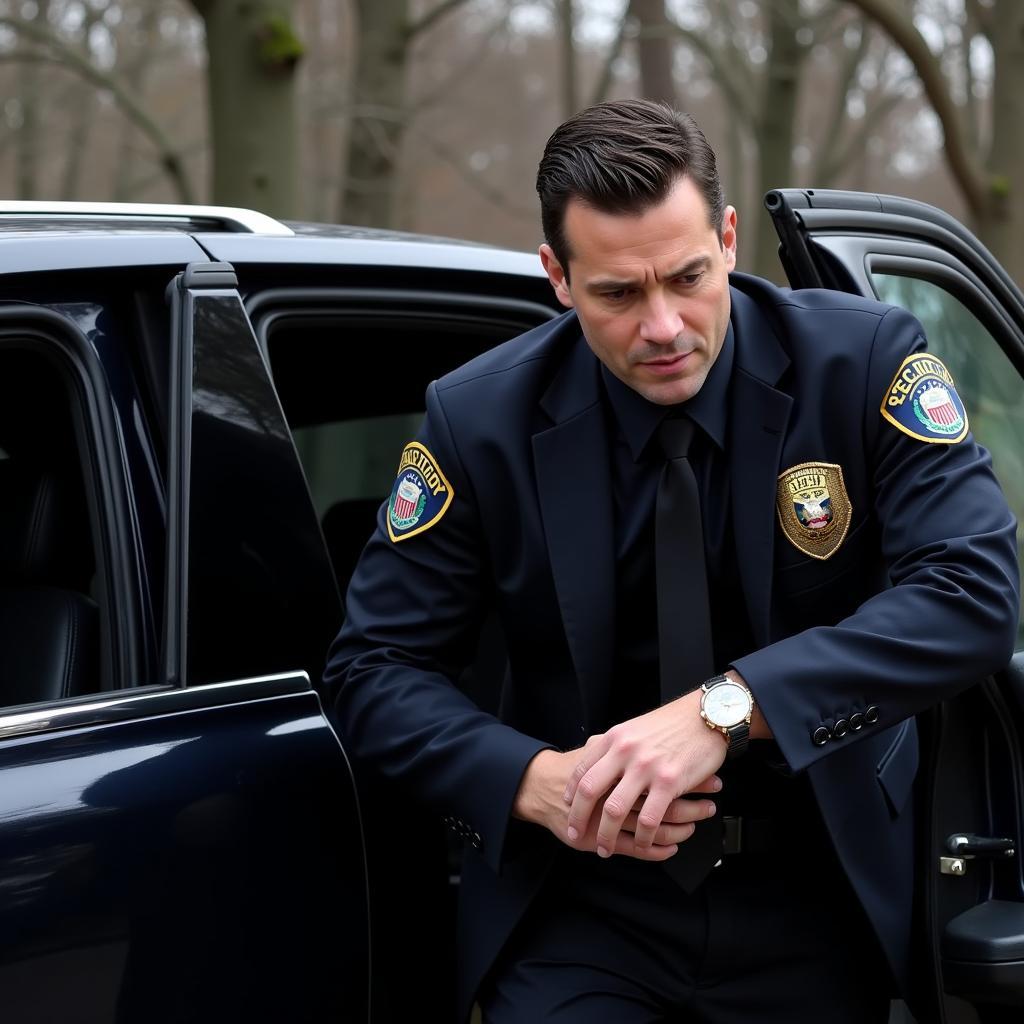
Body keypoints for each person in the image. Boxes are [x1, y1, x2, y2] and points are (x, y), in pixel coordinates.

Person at [324, 100, 1020, 1023]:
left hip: (819, 892)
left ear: (728, 240)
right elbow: (373, 671)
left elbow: (971, 595)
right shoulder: (476, 421)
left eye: (688, 277)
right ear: (557, 278)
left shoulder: (862, 363)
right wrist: (534, 783)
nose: (663, 326)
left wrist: (725, 709)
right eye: (618, 293)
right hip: (579, 905)